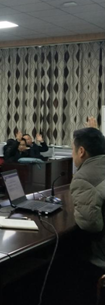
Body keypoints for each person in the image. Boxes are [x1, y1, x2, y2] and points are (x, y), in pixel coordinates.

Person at [68, 124, 105, 301]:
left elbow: (91, 225)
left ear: (81, 151)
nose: (72, 154)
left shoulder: (82, 177)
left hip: (100, 256)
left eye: (72, 150)